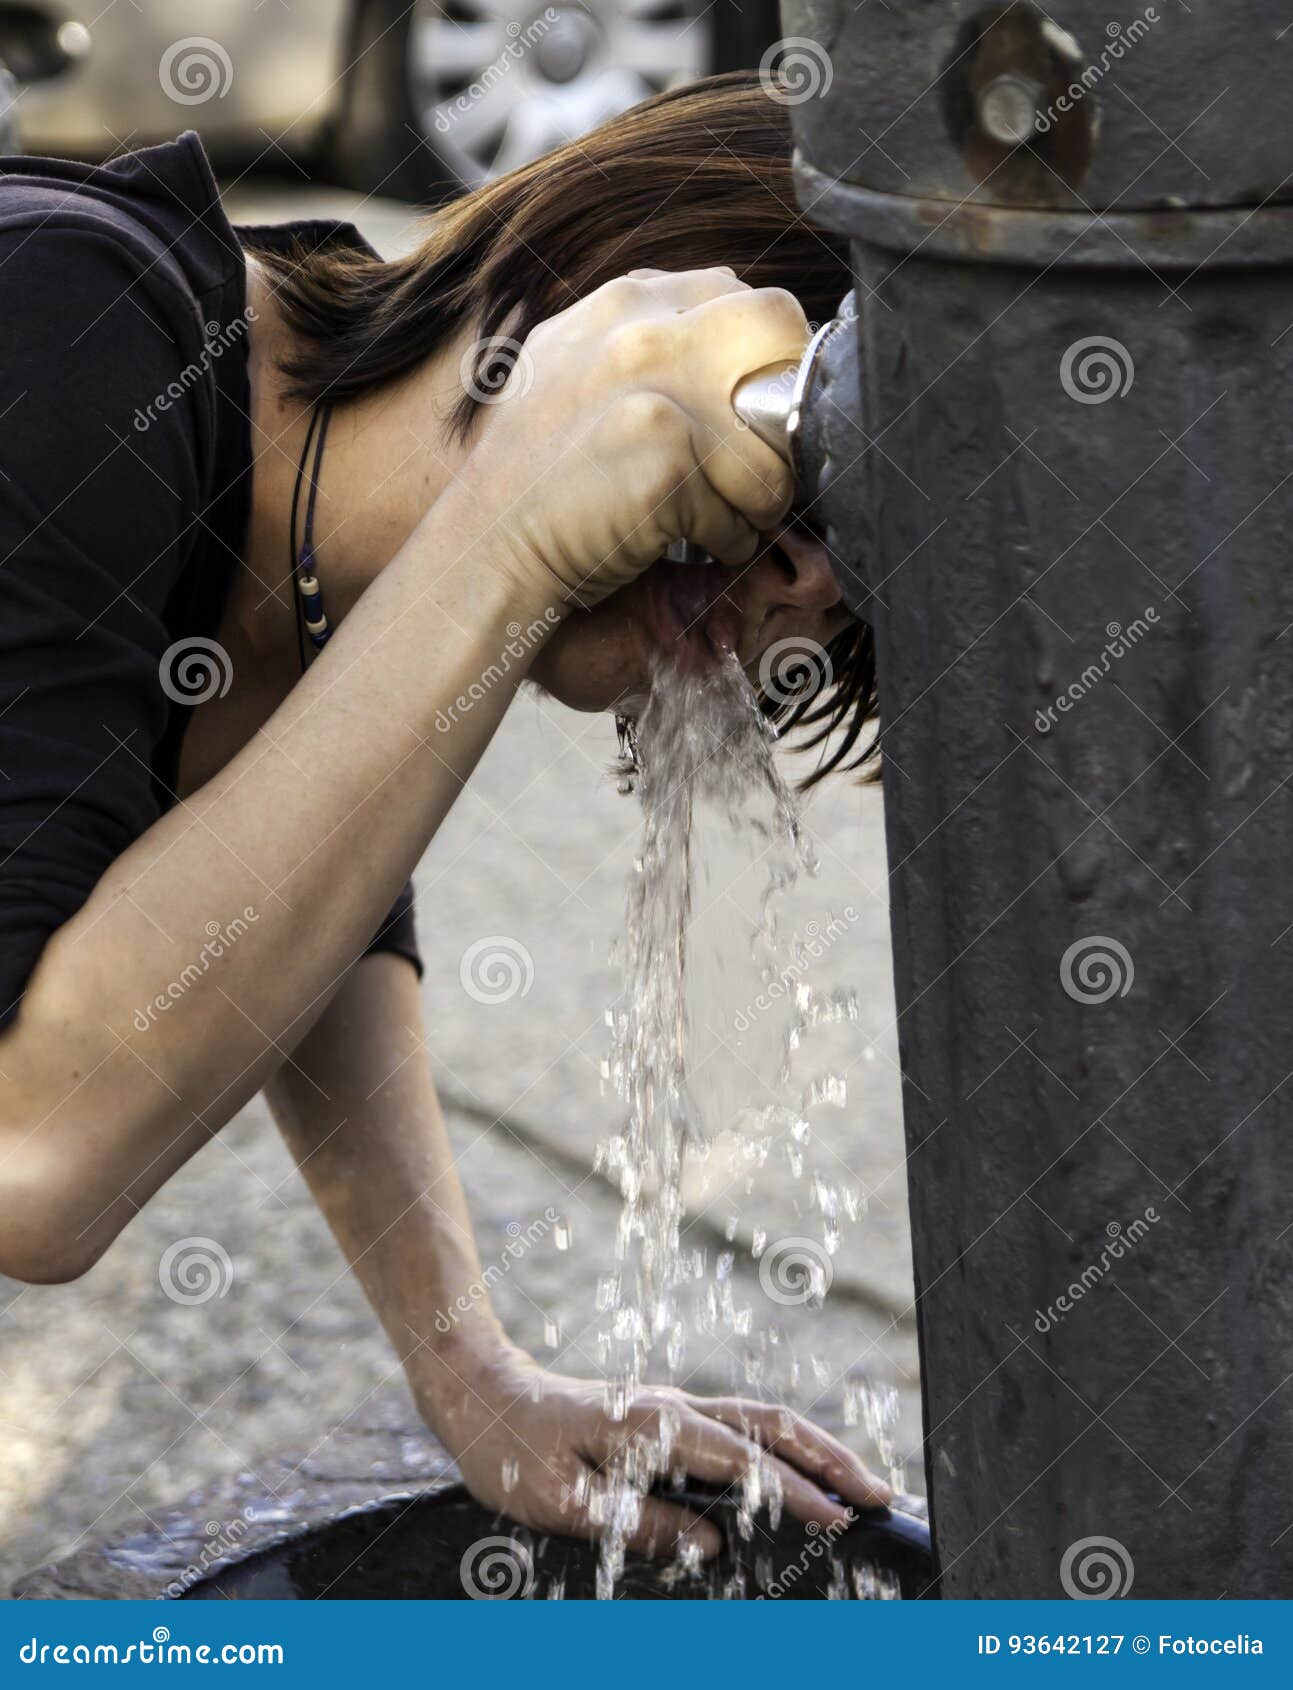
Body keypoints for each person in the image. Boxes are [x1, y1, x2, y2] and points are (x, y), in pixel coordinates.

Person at [0, 71, 883, 1562]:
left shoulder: (310, 507)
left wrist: (469, 1371)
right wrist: (513, 531)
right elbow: (32, 1157)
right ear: (609, 302)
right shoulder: (63, 332)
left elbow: (301, 906)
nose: (802, 592)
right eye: (803, 511)